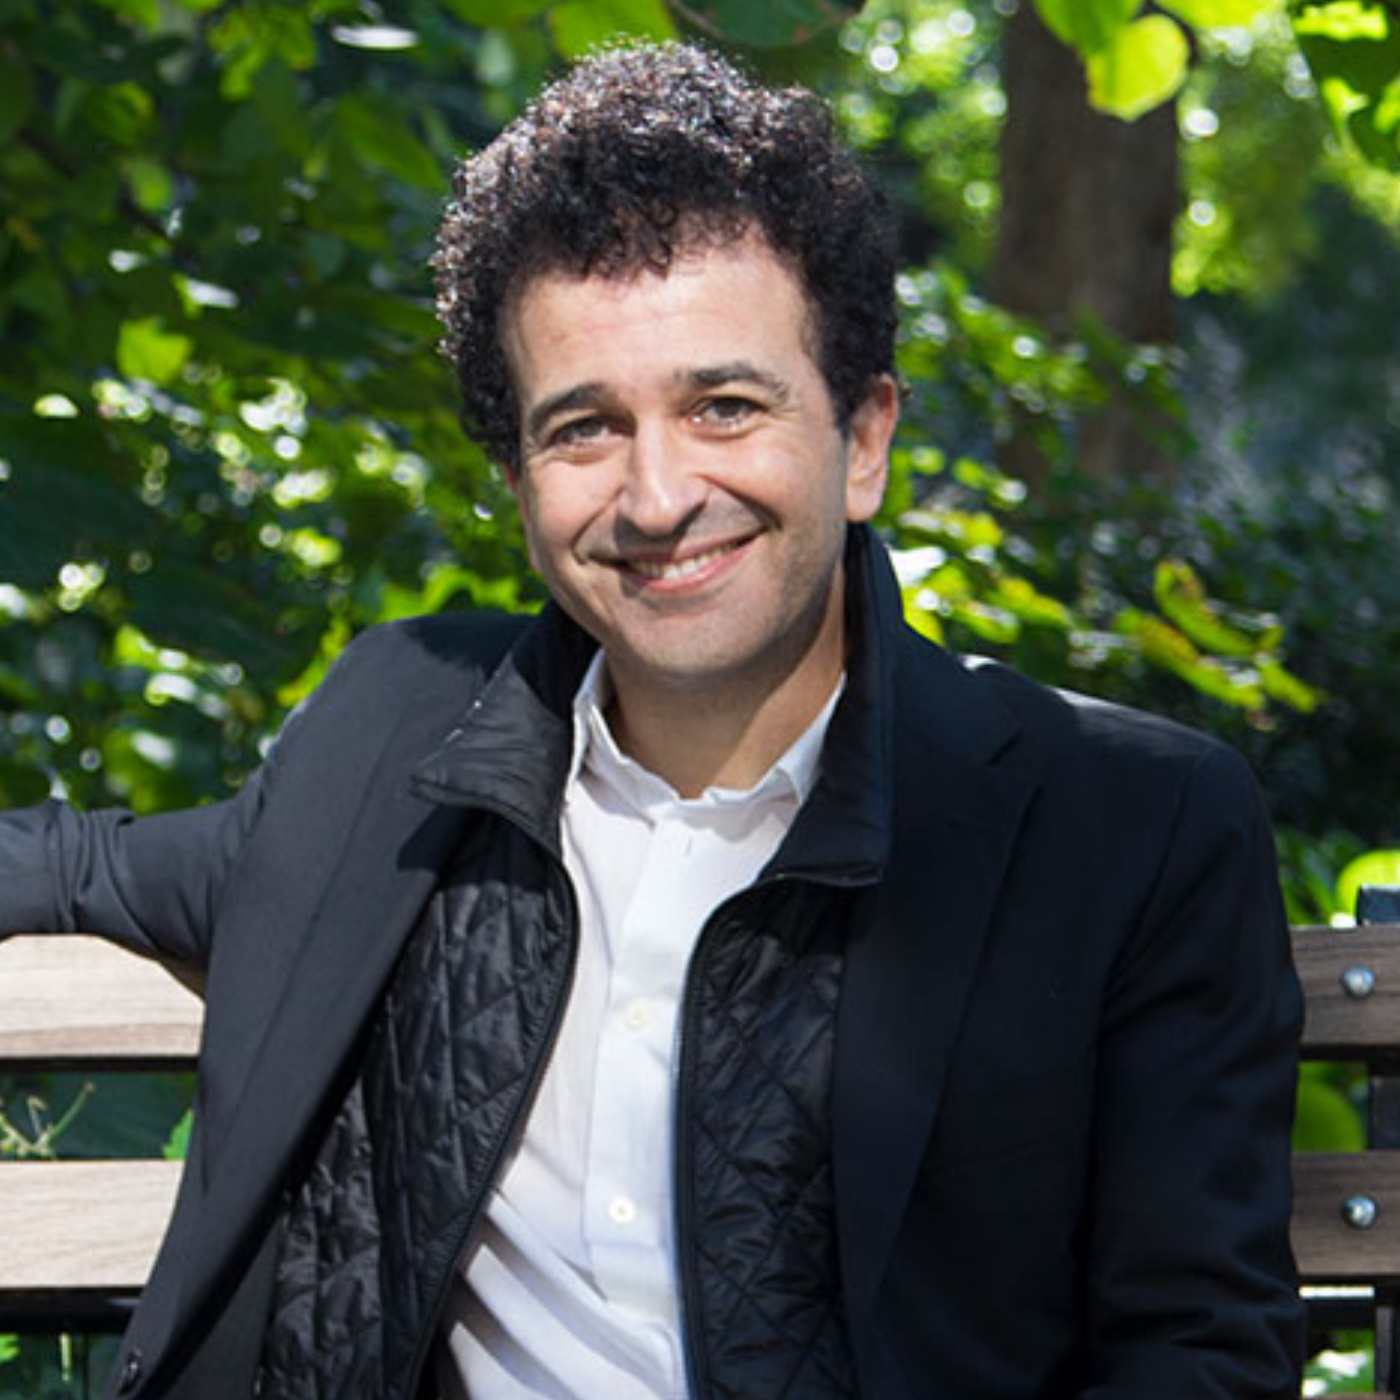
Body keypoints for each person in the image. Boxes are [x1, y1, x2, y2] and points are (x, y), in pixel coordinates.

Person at [0, 40, 1302, 1400]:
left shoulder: (1123, 828)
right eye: (584, 429)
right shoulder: (397, 738)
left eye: (723, 407)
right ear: (518, 480)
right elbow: (85, 869)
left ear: (863, 441)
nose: (659, 496)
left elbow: (1200, 1357)